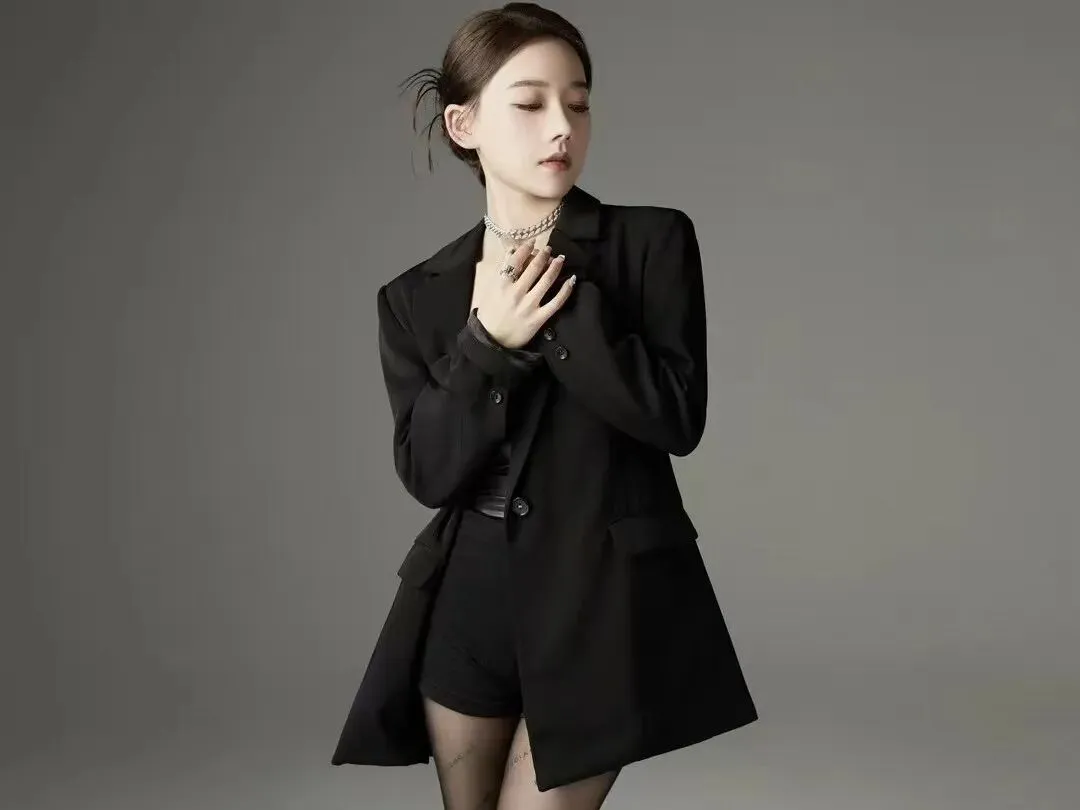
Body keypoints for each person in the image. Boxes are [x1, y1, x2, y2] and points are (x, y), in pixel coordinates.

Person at [331, 4, 758, 808]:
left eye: (579, 102)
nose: (562, 126)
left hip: (602, 599)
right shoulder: (415, 297)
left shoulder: (650, 244)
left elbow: (674, 418)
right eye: (529, 103)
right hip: (468, 601)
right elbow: (427, 472)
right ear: (464, 125)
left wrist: (554, 301)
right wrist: (486, 343)